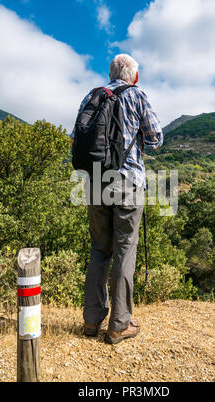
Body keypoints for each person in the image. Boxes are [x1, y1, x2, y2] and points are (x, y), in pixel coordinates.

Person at [71, 54, 163, 344]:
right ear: (134, 76)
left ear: (110, 73)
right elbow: (156, 137)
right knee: (125, 249)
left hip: (95, 181)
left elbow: (75, 139)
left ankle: (90, 320)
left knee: (99, 249)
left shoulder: (93, 95)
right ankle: (119, 324)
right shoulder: (137, 95)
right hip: (127, 182)